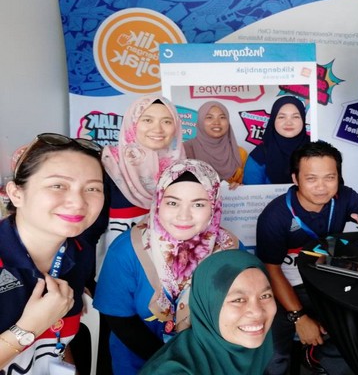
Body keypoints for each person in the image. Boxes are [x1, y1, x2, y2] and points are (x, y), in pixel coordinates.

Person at [257, 140, 358, 374]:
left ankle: (316, 357)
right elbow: (271, 271)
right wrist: (299, 318)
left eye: (330, 178)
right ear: (295, 179)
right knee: (274, 356)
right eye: (311, 178)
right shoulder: (275, 216)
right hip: (286, 284)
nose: (321, 187)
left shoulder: (345, 197)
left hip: (327, 274)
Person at [93, 159, 240, 374]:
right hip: (139, 364)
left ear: (214, 206)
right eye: (172, 203)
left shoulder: (229, 249)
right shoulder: (127, 249)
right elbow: (118, 318)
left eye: (199, 204)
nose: (183, 215)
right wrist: (169, 362)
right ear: (158, 202)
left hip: (207, 363)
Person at [0, 133, 104, 373]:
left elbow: (58, 343)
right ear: (16, 194)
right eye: (58, 185)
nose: (78, 202)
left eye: (92, 188)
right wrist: (27, 329)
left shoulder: (78, 253)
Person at [139, 249, 276, 375]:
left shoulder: (254, 346)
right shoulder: (175, 371)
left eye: (265, 296)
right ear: (208, 306)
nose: (257, 312)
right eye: (238, 300)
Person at [97, 94, 185, 269]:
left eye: (167, 121)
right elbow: (90, 230)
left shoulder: (183, 169)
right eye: (147, 120)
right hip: (118, 265)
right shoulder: (108, 164)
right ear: (132, 123)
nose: (157, 129)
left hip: (168, 266)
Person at [243, 95, 310, 185]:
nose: (289, 122)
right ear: (273, 120)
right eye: (282, 117)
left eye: (295, 117)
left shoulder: (318, 149)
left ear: (303, 119)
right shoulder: (259, 155)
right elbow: (252, 192)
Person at [183, 100, 247, 190]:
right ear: (200, 121)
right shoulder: (185, 150)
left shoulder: (240, 153)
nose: (216, 122)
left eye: (222, 117)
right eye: (209, 117)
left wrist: (240, 188)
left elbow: (248, 187)